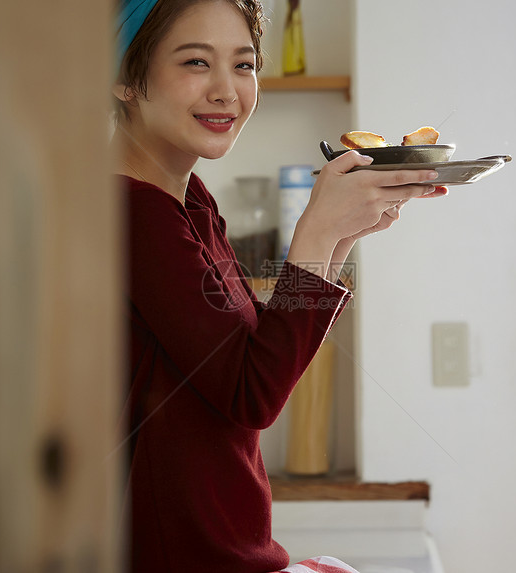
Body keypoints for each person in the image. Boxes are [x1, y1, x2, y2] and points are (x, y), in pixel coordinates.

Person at [112, 1, 447, 571]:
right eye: (196, 61)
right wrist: (315, 233)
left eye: (243, 65)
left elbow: (247, 357)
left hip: (225, 550)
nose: (227, 91)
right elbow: (252, 393)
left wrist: (341, 237)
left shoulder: (188, 202)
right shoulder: (132, 213)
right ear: (121, 78)